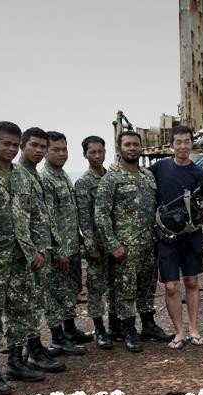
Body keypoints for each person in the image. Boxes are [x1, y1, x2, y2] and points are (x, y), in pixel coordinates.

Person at [0, 121, 47, 393]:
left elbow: (37, 216)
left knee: (21, 311)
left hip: (22, 257)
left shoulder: (23, 177)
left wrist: (39, 248)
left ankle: (16, 362)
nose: (11, 148)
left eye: (15, 145)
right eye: (6, 143)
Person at [95, 131, 171, 351]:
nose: (132, 148)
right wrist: (112, 245)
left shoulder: (148, 176)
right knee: (125, 290)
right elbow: (101, 215)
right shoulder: (111, 178)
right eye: (127, 144)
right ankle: (128, 329)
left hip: (149, 243)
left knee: (147, 287)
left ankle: (148, 325)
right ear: (119, 149)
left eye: (136, 145)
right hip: (125, 247)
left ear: (141, 148)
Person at [148, 125, 203, 348]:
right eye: (178, 142)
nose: (183, 146)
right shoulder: (158, 168)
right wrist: (114, 167)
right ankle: (179, 332)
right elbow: (136, 178)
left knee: (191, 281)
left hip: (191, 236)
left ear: (192, 144)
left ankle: (193, 329)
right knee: (171, 285)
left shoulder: (199, 173)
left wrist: (198, 222)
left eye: (187, 141)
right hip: (167, 237)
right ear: (171, 145)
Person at [17, 128, 69, 369]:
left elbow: (43, 217)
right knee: (27, 304)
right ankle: (30, 353)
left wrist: (53, 246)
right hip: (28, 254)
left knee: (36, 302)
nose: (38, 150)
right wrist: (31, 251)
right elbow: (18, 220)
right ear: (22, 145)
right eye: (34, 146)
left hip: (42, 250)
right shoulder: (19, 175)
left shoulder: (33, 174)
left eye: (41, 146)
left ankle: (34, 349)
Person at [41, 131, 91, 353]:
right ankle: (58, 337)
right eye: (56, 150)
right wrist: (60, 249)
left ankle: (70, 330)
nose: (61, 154)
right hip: (57, 250)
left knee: (70, 289)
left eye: (64, 149)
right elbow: (49, 218)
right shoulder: (46, 179)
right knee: (55, 293)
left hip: (70, 246)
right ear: (46, 151)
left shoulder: (62, 176)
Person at [75, 136, 113, 349]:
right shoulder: (83, 183)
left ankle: (116, 326)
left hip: (115, 243)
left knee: (116, 286)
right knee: (96, 288)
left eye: (100, 151)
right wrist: (91, 247)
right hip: (97, 244)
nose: (97, 156)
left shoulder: (112, 177)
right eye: (92, 152)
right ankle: (99, 329)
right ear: (85, 155)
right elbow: (84, 218)